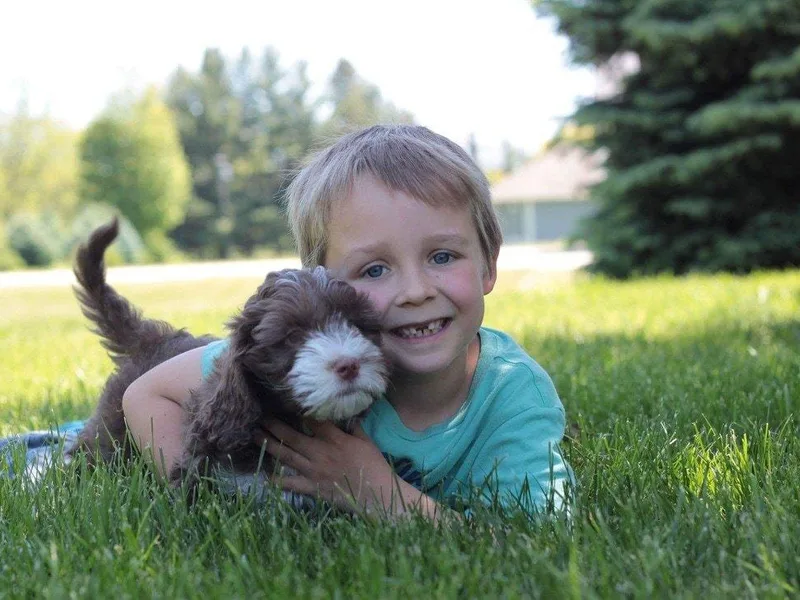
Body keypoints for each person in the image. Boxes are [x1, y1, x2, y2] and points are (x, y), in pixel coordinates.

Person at [123, 124, 574, 521]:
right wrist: (205, 502)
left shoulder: (514, 398)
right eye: (374, 270)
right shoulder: (313, 364)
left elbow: (534, 544)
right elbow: (146, 393)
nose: (415, 290)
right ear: (322, 283)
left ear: (488, 266)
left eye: (442, 256)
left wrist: (381, 496)